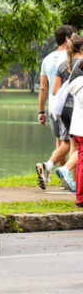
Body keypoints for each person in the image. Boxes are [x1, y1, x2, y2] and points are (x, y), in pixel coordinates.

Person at [35, 25, 76, 189]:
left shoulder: (47, 59)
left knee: (60, 144)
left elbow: (43, 88)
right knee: (70, 144)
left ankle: (65, 182)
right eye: (73, 36)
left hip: (53, 107)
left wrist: (41, 111)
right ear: (67, 39)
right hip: (67, 106)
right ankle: (48, 167)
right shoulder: (71, 57)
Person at [51, 35, 82, 193]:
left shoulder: (63, 65)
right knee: (80, 147)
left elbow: (54, 90)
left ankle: (71, 181)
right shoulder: (81, 64)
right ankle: (70, 176)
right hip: (77, 108)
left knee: (73, 144)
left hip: (63, 109)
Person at [59, 35, 83, 207]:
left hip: (76, 124)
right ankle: (80, 197)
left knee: (80, 158)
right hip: (80, 125)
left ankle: (79, 195)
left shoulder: (75, 80)